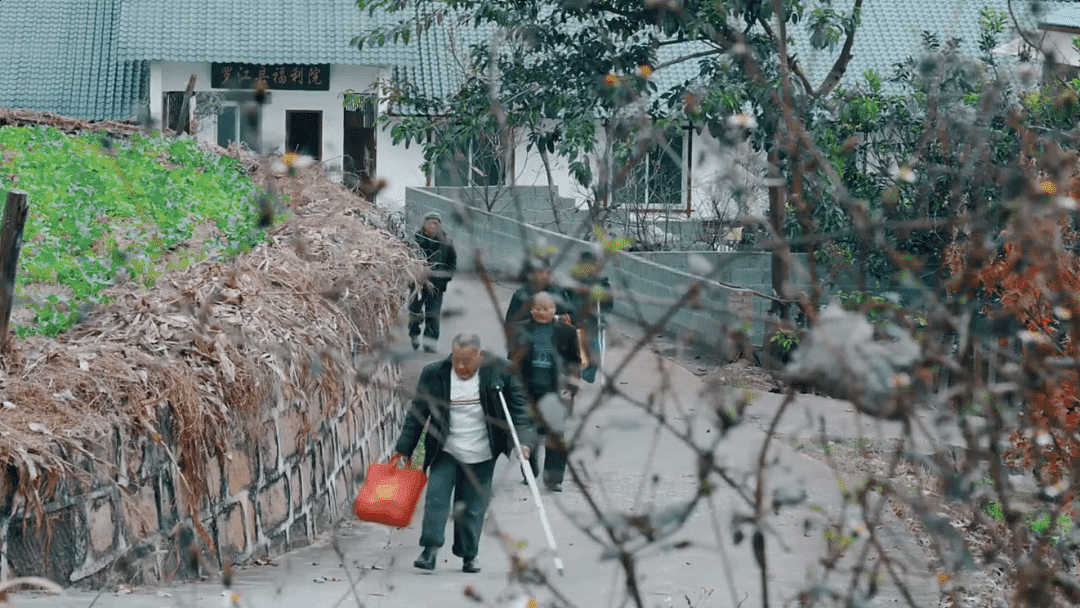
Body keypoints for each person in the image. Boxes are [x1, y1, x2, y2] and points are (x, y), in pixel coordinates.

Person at [393, 333, 536, 573]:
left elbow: (521, 411)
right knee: (436, 500)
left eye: (467, 361)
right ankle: (430, 551)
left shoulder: (501, 372)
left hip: (482, 453)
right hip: (445, 449)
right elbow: (417, 414)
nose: (460, 367)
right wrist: (403, 450)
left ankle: (469, 555)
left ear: (480, 355)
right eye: (456, 359)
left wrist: (524, 443)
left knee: (472, 507)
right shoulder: (434, 374)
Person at [509, 292, 581, 492]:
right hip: (528, 391)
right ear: (531, 309)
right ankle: (529, 472)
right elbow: (512, 359)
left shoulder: (567, 332)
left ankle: (554, 478)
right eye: (537, 309)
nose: (541, 313)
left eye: (546, 309)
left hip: (556, 393)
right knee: (528, 430)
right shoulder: (521, 330)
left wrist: (572, 387)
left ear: (554, 310)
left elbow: (575, 362)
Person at [409, 211, 457, 353]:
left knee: (433, 315)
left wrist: (446, 278)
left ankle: (430, 343)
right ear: (424, 224)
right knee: (415, 312)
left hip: (437, 285)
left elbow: (452, 262)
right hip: (417, 284)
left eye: (437, 223)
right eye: (430, 222)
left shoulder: (447, 241)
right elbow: (407, 260)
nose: (433, 225)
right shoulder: (416, 240)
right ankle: (414, 334)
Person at [567, 250, 614, 383]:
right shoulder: (573, 283)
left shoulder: (601, 284)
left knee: (596, 352)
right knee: (580, 352)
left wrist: (603, 312)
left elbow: (608, 304)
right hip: (578, 322)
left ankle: (588, 374)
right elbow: (566, 298)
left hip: (594, 323)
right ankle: (580, 374)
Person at [504, 257, 574, 331]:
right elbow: (510, 324)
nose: (544, 275)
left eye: (546, 272)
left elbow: (572, 315)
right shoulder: (521, 295)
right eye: (539, 272)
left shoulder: (559, 292)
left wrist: (567, 318)